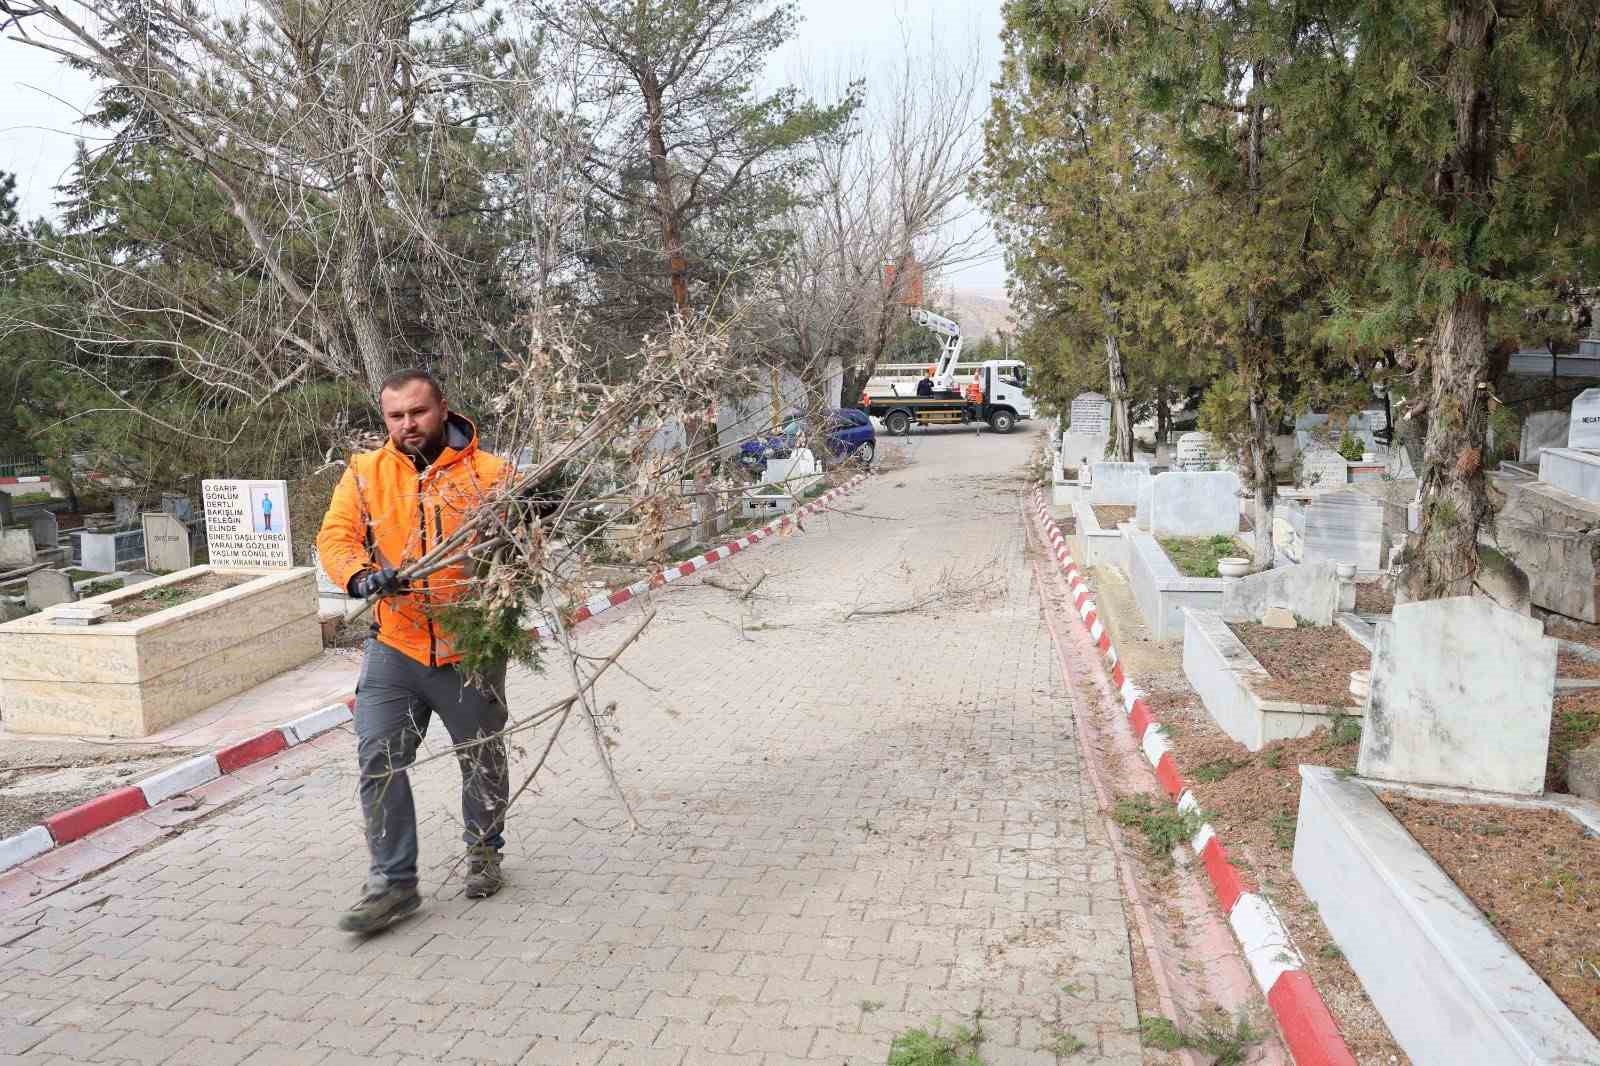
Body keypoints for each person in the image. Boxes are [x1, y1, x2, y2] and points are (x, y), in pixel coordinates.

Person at [316, 368, 512, 933]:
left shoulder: (491, 474)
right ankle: (393, 884)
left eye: (418, 412)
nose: (407, 424)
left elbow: (518, 552)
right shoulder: (365, 473)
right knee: (377, 758)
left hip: (468, 646)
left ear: (443, 408)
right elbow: (336, 536)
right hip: (395, 644)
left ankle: (484, 849)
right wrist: (360, 576)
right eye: (395, 416)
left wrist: (528, 523)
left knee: (481, 755)